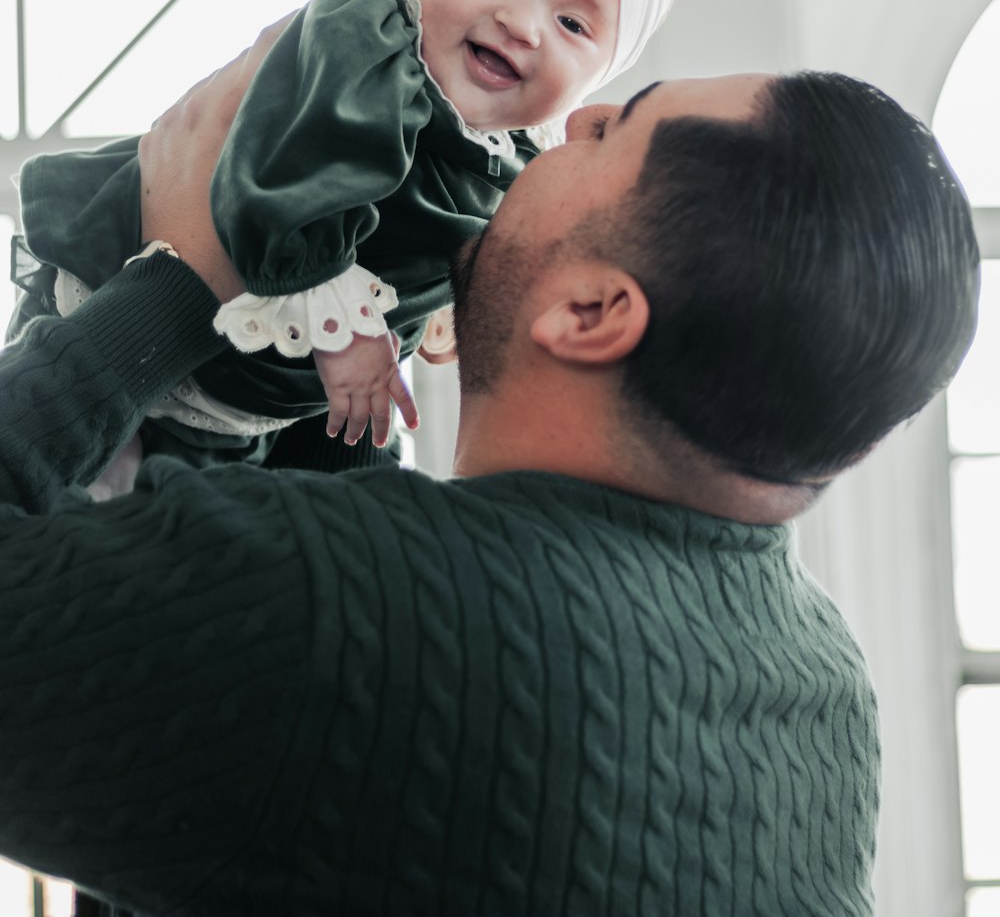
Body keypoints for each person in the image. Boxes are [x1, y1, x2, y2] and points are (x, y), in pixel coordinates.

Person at [0, 47, 979, 916]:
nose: (580, 112)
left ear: (592, 310)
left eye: (617, 125)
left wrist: (170, 283)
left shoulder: (332, 607)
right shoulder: (822, 691)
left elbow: (334, 635)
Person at [8, 0, 702, 487]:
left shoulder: (518, 161)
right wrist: (346, 330)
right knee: (64, 505)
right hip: (123, 303)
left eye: (574, 26)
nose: (523, 22)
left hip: (249, 396)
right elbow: (295, 173)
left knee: (196, 543)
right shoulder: (371, 34)